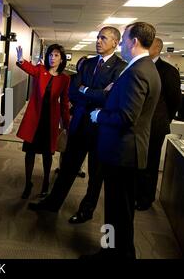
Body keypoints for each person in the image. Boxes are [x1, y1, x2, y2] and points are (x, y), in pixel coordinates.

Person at [29, 27, 126, 225]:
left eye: (103, 38)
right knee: (67, 169)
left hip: (101, 129)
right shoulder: (88, 63)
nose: (98, 41)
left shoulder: (121, 68)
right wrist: (96, 92)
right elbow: (73, 92)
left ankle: (86, 210)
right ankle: (53, 203)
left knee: (95, 175)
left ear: (115, 42)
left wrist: (86, 90)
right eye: (98, 37)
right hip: (80, 125)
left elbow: (110, 98)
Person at [86, 22, 161, 259]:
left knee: (117, 211)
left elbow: (126, 117)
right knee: (121, 213)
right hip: (128, 153)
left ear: (134, 42)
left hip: (122, 153)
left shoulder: (137, 71)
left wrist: (99, 115)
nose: (121, 44)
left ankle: (112, 254)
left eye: (124, 39)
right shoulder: (147, 68)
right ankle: (119, 253)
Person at [16, 44, 70, 199]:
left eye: (56, 55)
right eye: (50, 55)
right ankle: (28, 183)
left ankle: (46, 183)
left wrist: (66, 124)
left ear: (61, 59)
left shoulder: (65, 79)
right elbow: (29, 69)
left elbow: (65, 102)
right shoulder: (40, 70)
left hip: (50, 121)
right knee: (30, 153)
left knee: (48, 155)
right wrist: (21, 60)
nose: (52, 58)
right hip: (35, 119)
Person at [135, 38, 182, 210]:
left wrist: (164, 119)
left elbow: (175, 100)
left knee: (150, 163)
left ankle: (146, 198)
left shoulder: (168, 71)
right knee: (138, 161)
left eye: (149, 45)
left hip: (155, 125)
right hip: (138, 125)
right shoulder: (139, 66)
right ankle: (136, 192)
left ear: (158, 48)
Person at [55, 56, 87, 177]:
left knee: (80, 143)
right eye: (81, 64)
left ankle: (79, 168)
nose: (83, 66)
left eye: (85, 64)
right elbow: (64, 94)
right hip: (68, 113)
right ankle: (62, 166)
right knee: (65, 141)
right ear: (78, 65)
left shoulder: (90, 80)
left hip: (82, 115)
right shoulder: (71, 78)